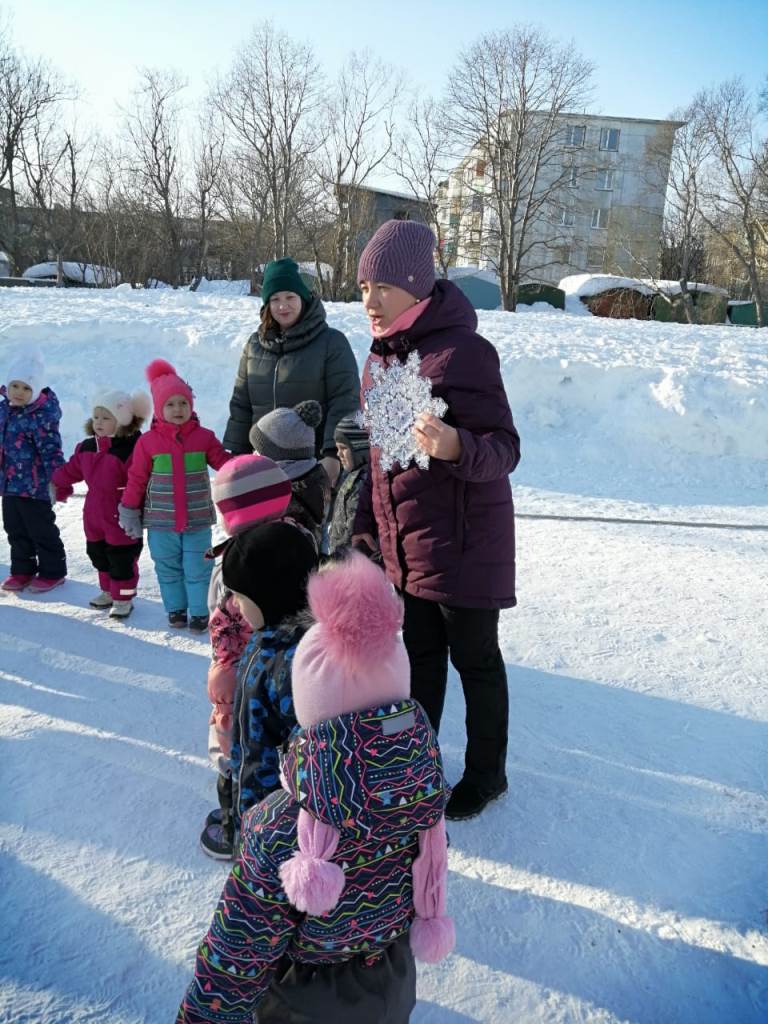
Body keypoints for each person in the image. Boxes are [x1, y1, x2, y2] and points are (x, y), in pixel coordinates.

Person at [177, 552, 454, 1024]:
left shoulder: (280, 825)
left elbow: (238, 956)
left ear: (310, 711)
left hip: (302, 1002)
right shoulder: (424, 795)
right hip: (391, 981)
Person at [353, 219, 521, 822]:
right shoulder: (379, 360)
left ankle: (486, 775)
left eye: (382, 287)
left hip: (467, 545)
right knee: (418, 659)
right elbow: (380, 459)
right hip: (408, 546)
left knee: (475, 661)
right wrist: (366, 530)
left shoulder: (466, 354)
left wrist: (456, 446)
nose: (369, 300)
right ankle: (415, 766)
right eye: (363, 285)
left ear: (416, 287)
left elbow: (504, 447)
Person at [201, 518, 318, 859]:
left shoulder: (289, 661)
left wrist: (253, 821)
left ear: (270, 594)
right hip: (262, 784)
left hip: (276, 807)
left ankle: (247, 840)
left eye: (239, 595)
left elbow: (282, 752)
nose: (234, 605)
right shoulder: (271, 637)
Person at [200, 454, 294, 860]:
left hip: (242, 673)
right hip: (283, 669)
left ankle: (235, 827)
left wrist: (222, 676)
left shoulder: (234, 562)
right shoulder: (296, 539)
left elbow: (223, 626)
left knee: (234, 753)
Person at [223, 257, 360, 489]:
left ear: (304, 298)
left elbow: (345, 401)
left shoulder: (331, 343)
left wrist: (332, 454)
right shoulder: (255, 346)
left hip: (312, 468)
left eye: (290, 297)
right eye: (275, 299)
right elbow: (241, 404)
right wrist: (238, 455)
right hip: (263, 467)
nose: (282, 306)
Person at [118, 359, 230, 632]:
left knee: (199, 568)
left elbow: (224, 463)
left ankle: (200, 612)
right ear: (158, 409)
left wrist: (245, 470)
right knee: (168, 569)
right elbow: (136, 479)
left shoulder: (204, 437)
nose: (178, 409)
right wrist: (129, 509)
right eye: (170, 404)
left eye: (183, 403)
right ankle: (176, 610)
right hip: (160, 522)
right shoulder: (148, 443)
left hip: (197, 520)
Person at [52, 389, 151, 619]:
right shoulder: (87, 447)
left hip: (121, 513)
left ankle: (123, 598)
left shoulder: (132, 449)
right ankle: (108, 591)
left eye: (106, 418)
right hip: (94, 514)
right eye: (96, 417)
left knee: (122, 558)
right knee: (98, 554)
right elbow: (71, 469)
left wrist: (136, 508)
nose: (98, 422)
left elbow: (140, 479)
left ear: (122, 421)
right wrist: (55, 481)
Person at [0, 351, 67, 593]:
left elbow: (51, 451)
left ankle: (53, 571)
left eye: (26, 388)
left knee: (40, 529)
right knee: (15, 528)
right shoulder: (4, 410)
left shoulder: (41, 417)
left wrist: (59, 479)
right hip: (9, 484)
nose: (18, 392)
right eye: (14, 385)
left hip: (35, 486)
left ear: (36, 391)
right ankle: (22, 570)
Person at [249, 399, 331, 550]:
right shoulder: (311, 476)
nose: (254, 455)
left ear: (282, 458)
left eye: (259, 452)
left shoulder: (287, 495)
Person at [327, 413, 374, 557]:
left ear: (360, 447)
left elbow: (352, 529)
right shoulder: (351, 476)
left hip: (350, 561)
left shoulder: (362, 482)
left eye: (344, 448)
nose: (338, 454)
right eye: (337, 448)